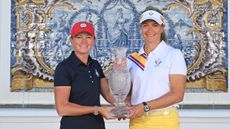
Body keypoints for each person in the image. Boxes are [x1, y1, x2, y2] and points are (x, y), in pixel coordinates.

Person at [126, 6, 187, 129]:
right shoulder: (131, 59)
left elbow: (177, 94)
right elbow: (129, 93)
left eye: (155, 25)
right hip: (137, 122)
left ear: (162, 27)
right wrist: (126, 106)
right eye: (145, 25)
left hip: (165, 120)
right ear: (140, 28)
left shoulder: (173, 55)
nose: (150, 29)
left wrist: (145, 106)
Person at [54, 21, 115, 129]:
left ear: (94, 40)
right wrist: (97, 109)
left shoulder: (95, 65)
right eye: (78, 37)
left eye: (88, 37)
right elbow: (62, 108)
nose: (84, 41)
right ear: (71, 40)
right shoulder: (64, 68)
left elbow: (110, 96)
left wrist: (119, 71)